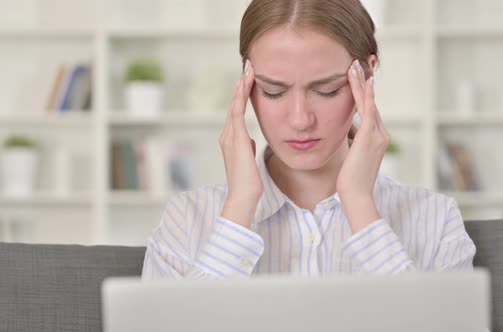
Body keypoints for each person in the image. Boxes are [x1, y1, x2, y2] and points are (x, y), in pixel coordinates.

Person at [142, 0, 476, 279]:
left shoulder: (435, 219)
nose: (300, 119)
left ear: (368, 74)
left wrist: (360, 204)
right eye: (273, 92)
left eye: (326, 90)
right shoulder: (187, 219)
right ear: (246, 84)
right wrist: (240, 205)